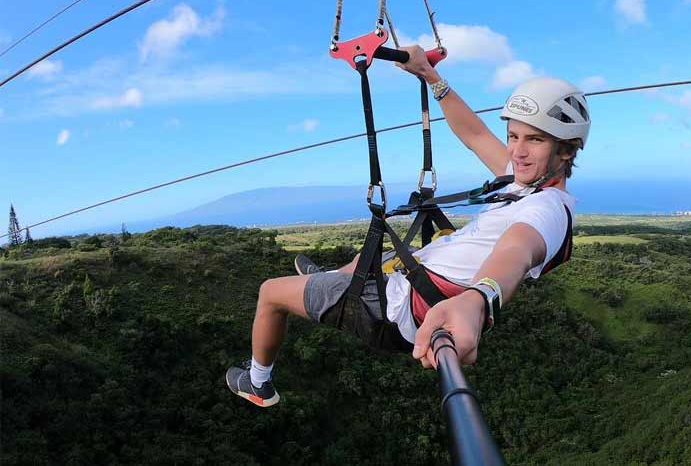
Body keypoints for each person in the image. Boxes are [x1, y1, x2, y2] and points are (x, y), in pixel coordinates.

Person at [225, 45, 591, 407]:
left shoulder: (547, 210)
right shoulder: (522, 182)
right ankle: (336, 275)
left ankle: (258, 382)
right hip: (416, 275)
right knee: (368, 257)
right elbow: (476, 135)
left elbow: (517, 251)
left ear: (566, 150)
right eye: (514, 136)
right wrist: (432, 77)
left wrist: (478, 299)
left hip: (399, 307)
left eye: (535, 140)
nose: (517, 151)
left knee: (271, 292)